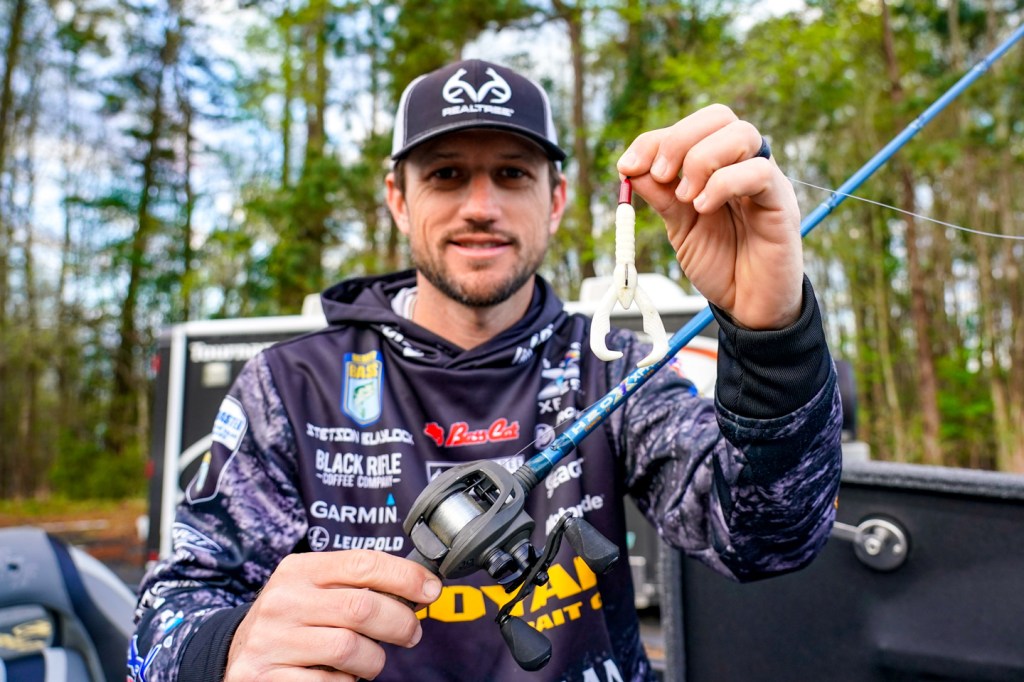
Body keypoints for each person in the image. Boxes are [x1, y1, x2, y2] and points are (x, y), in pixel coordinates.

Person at [129, 58, 842, 682]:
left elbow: (767, 538)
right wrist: (228, 649)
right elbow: (166, 617)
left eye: (511, 173)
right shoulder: (289, 386)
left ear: (555, 200)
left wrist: (772, 335)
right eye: (446, 175)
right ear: (398, 200)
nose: (481, 207)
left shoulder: (613, 367)